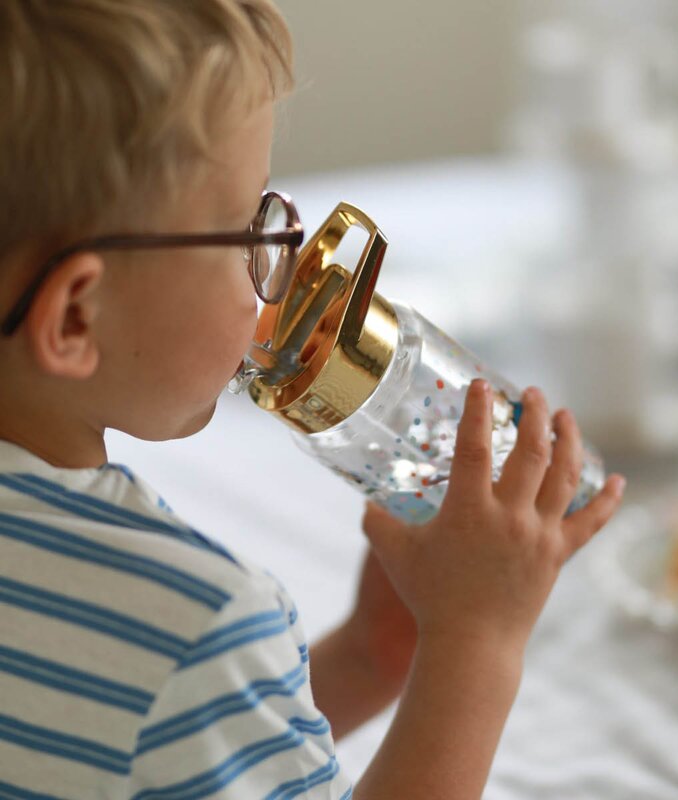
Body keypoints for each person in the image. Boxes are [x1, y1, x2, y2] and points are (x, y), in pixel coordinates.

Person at [0, 1, 626, 797]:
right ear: (77, 316)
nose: (282, 273)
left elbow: (139, 748)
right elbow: (175, 685)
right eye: (249, 228)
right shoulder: (200, 623)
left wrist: (369, 657)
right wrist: (480, 642)